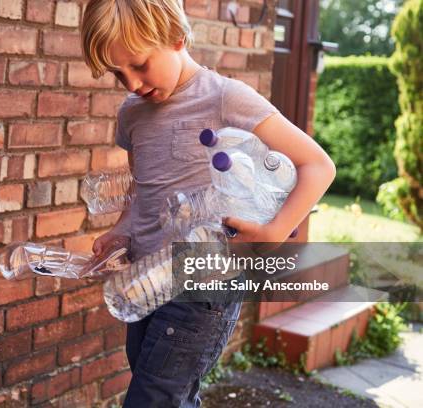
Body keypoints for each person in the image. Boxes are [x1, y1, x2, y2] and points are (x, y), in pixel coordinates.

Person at [80, 1, 336, 406]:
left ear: (177, 38)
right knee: (169, 395)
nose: (130, 83)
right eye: (117, 73)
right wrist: (122, 230)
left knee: (153, 398)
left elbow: (318, 165)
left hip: (202, 287)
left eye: (140, 65)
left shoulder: (225, 98)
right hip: (146, 279)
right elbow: (140, 187)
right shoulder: (132, 113)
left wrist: (272, 232)